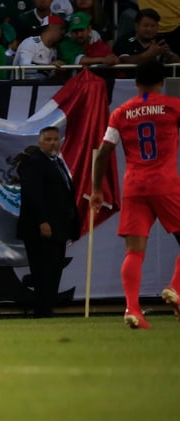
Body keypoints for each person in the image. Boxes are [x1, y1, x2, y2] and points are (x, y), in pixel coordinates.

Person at [91, 60, 180, 329]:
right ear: (162, 81)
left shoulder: (121, 112)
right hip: (164, 183)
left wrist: (96, 189)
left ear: (136, 83)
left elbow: (104, 152)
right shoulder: (172, 106)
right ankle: (175, 288)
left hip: (134, 186)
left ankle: (132, 308)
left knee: (134, 251)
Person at [16, 126, 80, 318]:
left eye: (56, 139)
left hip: (59, 228)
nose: (53, 143)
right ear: (40, 142)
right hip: (41, 229)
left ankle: (47, 308)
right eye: (49, 139)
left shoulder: (57, 163)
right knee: (43, 271)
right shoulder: (34, 162)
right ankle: (42, 310)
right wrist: (42, 221)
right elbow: (33, 195)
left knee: (54, 270)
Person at [113, 9, 180, 72]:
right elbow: (122, 61)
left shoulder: (160, 42)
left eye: (153, 26)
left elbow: (177, 62)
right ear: (137, 26)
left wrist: (169, 55)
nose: (149, 29)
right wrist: (148, 54)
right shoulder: (124, 41)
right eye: (146, 26)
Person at [12, 14, 65, 80]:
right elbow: (24, 68)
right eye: (61, 29)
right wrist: (48, 67)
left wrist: (57, 71)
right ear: (51, 27)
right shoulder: (30, 42)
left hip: (42, 86)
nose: (63, 32)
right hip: (22, 86)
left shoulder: (53, 50)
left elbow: (49, 76)